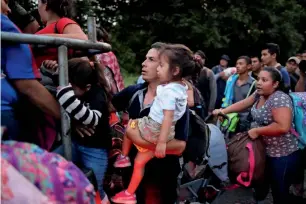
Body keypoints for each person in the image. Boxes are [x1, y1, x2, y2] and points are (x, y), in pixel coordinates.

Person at [111, 44, 193, 203]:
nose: (144, 63)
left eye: (151, 59)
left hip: (162, 177)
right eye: (145, 58)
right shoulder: (133, 92)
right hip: (134, 176)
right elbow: (107, 106)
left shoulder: (175, 102)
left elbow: (180, 147)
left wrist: (140, 141)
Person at [213, 67, 300, 204]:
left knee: (279, 190)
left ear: (275, 84)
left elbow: (283, 126)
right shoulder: (259, 94)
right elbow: (244, 103)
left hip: (282, 154)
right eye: (258, 78)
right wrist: (223, 110)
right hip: (264, 151)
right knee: (260, 185)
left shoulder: (279, 99)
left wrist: (257, 131)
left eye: (264, 80)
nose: (259, 82)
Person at [1, 1, 60, 140]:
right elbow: (28, 87)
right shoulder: (6, 26)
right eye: (5, 2)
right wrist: (69, 120)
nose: (9, 10)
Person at [55, 58, 112, 203]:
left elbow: (91, 119)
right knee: (49, 164)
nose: (68, 91)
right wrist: (48, 68)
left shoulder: (97, 95)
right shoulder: (77, 88)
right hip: (75, 143)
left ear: (87, 87)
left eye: (71, 88)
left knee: (93, 188)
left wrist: (65, 94)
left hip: (95, 150)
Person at [35, 0, 87, 67]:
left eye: (38, 3)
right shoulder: (43, 30)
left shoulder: (62, 21)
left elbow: (83, 39)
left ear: (46, 4)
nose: (37, 8)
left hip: (55, 74)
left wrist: (40, 38)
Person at [222, 56, 256, 132]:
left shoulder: (253, 84)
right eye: (237, 64)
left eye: (240, 64)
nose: (237, 66)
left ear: (249, 66)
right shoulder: (231, 81)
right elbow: (225, 98)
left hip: (244, 122)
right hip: (229, 119)